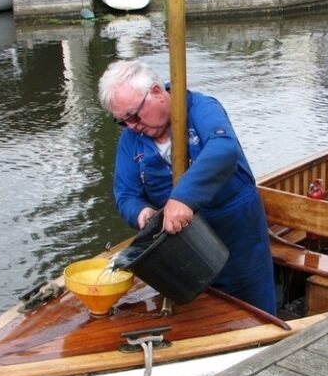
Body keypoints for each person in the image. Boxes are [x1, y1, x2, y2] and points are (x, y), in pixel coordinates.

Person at [97, 60, 277, 315]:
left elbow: (223, 149)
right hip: (179, 247)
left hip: (237, 236)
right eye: (122, 121)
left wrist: (183, 199)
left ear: (157, 92)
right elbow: (126, 194)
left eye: (134, 115)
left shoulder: (202, 108)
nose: (132, 126)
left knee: (253, 311)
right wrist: (142, 214)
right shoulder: (131, 140)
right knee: (195, 313)